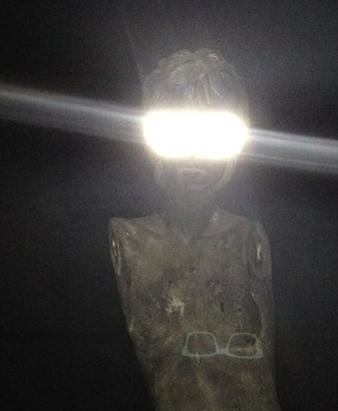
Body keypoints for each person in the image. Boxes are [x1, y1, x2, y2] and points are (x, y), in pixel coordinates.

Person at [109, 48, 281, 410]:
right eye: (179, 134)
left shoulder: (248, 238)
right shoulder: (130, 240)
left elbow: (262, 369)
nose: (194, 158)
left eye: (212, 136)